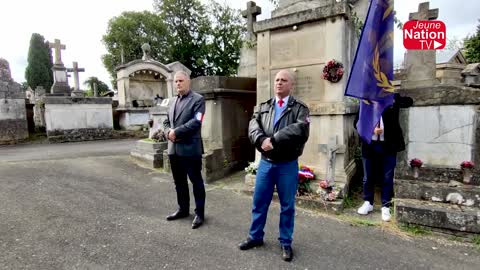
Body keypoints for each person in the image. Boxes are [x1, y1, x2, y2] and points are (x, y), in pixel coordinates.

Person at [239, 70, 310, 262]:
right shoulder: (264, 106)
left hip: (287, 165)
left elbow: (300, 130)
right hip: (266, 164)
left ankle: (286, 242)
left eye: (284, 80)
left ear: (291, 85)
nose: (279, 83)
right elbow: (253, 126)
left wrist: (274, 139)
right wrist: (261, 139)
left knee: (287, 206)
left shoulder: (300, 108)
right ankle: (255, 237)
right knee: (259, 202)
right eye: (277, 80)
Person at [355, 93, 413, 221]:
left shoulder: (392, 98)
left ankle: (385, 206)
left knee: (387, 177)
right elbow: (357, 123)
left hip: (388, 146)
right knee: (367, 176)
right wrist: (371, 130)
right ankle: (368, 202)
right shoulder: (365, 101)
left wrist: (394, 98)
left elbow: (409, 101)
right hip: (370, 145)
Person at [163, 71, 206, 229]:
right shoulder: (172, 102)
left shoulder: (198, 100)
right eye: (175, 81)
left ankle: (199, 213)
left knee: (196, 182)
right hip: (174, 149)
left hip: (190, 149)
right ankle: (183, 209)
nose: (178, 84)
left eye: (181, 80)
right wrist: (168, 132)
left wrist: (176, 132)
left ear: (188, 82)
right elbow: (166, 121)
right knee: (179, 182)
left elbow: (196, 121)